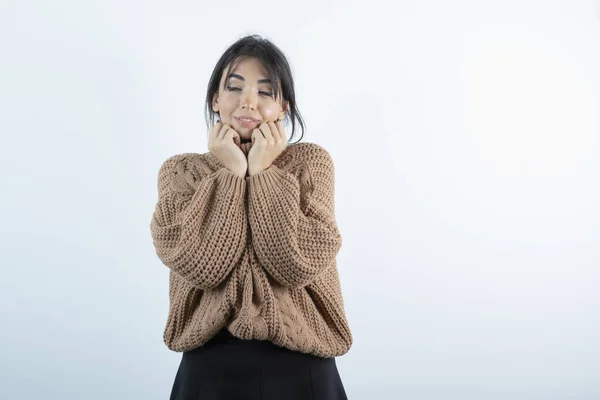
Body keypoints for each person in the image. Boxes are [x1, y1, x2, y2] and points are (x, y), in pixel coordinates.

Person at [150, 34, 353, 400]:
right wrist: (230, 173)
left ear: (283, 108)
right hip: (208, 367)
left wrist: (262, 171)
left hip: (303, 366)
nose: (248, 101)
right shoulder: (181, 172)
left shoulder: (310, 163)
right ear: (215, 99)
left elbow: (294, 263)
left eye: (265, 91)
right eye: (234, 87)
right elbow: (201, 264)